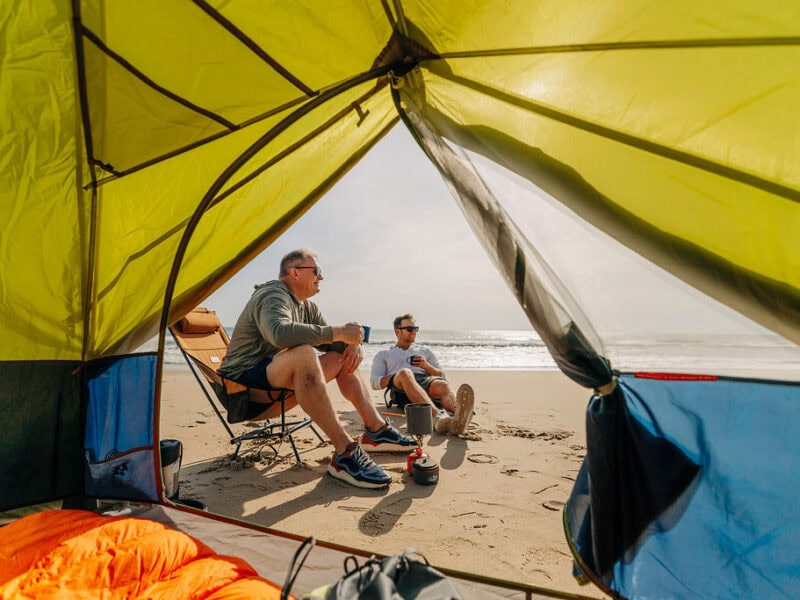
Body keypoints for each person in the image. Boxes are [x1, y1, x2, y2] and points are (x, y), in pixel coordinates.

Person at [218, 248, 416, 489]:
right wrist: (341, 332)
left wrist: (352, 345)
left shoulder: (307, 307)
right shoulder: (272, 294)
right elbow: (279, 333)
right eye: (317, 271)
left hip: (271, 377)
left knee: (341, 355)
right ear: (294, 273)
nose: (321, 277)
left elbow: (332, 341)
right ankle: (345, 452)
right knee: (304, 353)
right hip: (243, 388)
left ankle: (376, 431)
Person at [370, 314, 474, 435]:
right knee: (405, 372)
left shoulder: (424, 351)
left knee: (442, 384)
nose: (413, 332)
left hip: (424, 382)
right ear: (397, 331)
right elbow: (374, 382)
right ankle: (438, 417)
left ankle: (458, 417)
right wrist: (397, 375)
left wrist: (426, 366)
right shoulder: (384, 354)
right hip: (400, 387)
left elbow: (442, 374)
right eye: (409, 329)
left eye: (415, 329)